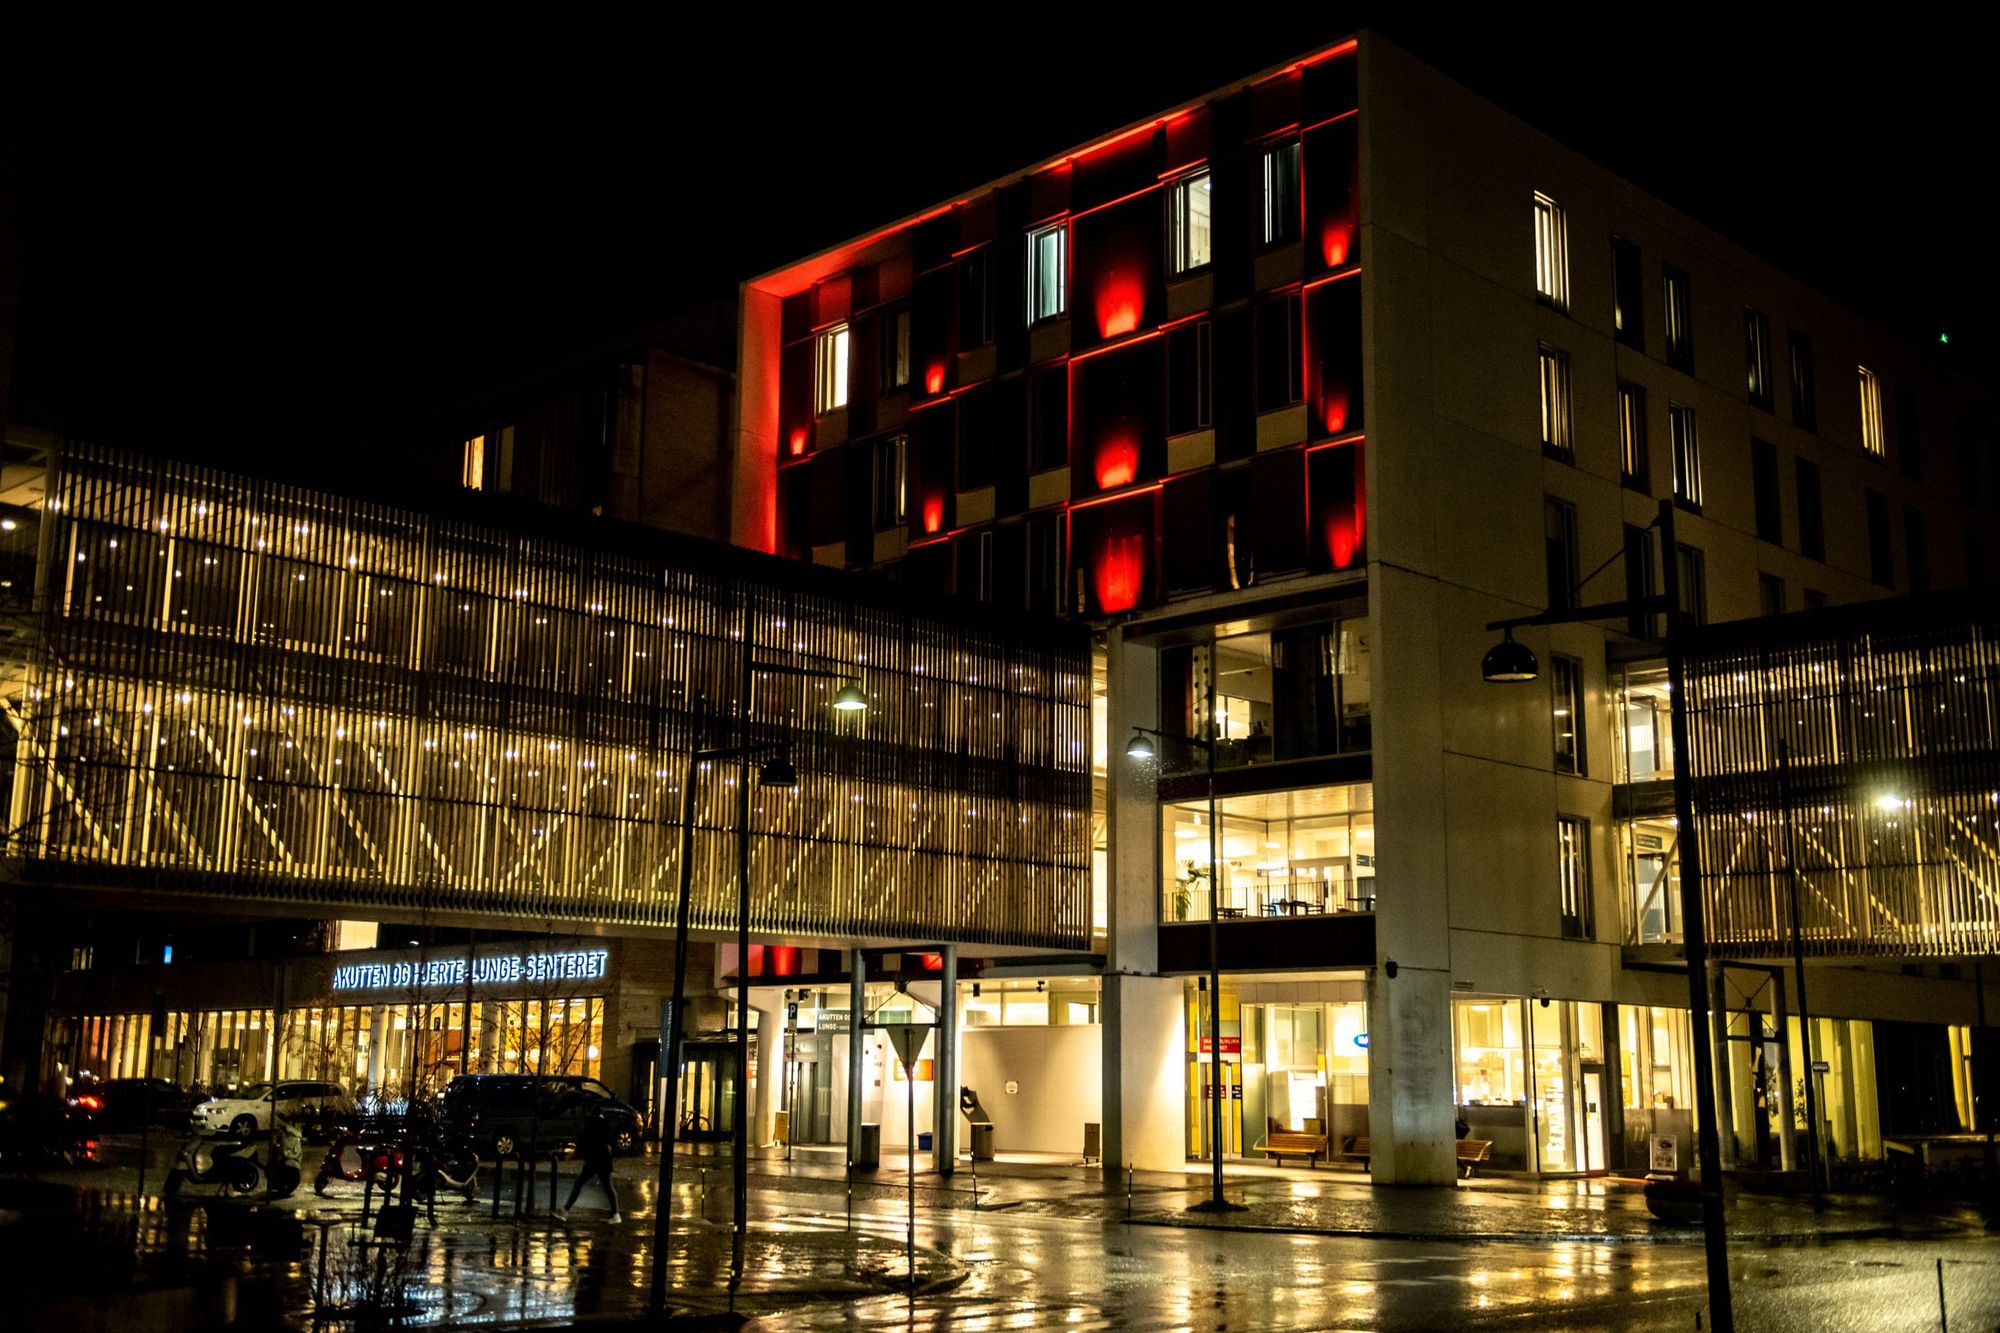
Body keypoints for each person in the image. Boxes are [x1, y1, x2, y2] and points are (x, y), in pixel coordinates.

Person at [555, 1101, 620, 1225]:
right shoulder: (601, 1121)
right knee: (607, 1186)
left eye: (585, 1111)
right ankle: (615, 1214)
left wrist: (574, 1154)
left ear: (588, 1111)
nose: (583, 1114)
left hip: (595, 1160)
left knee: (580, 1183)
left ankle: (565, 1211)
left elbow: (586, 1141)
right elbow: (605, 1134)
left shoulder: (592, 1123)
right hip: (603, 1159)